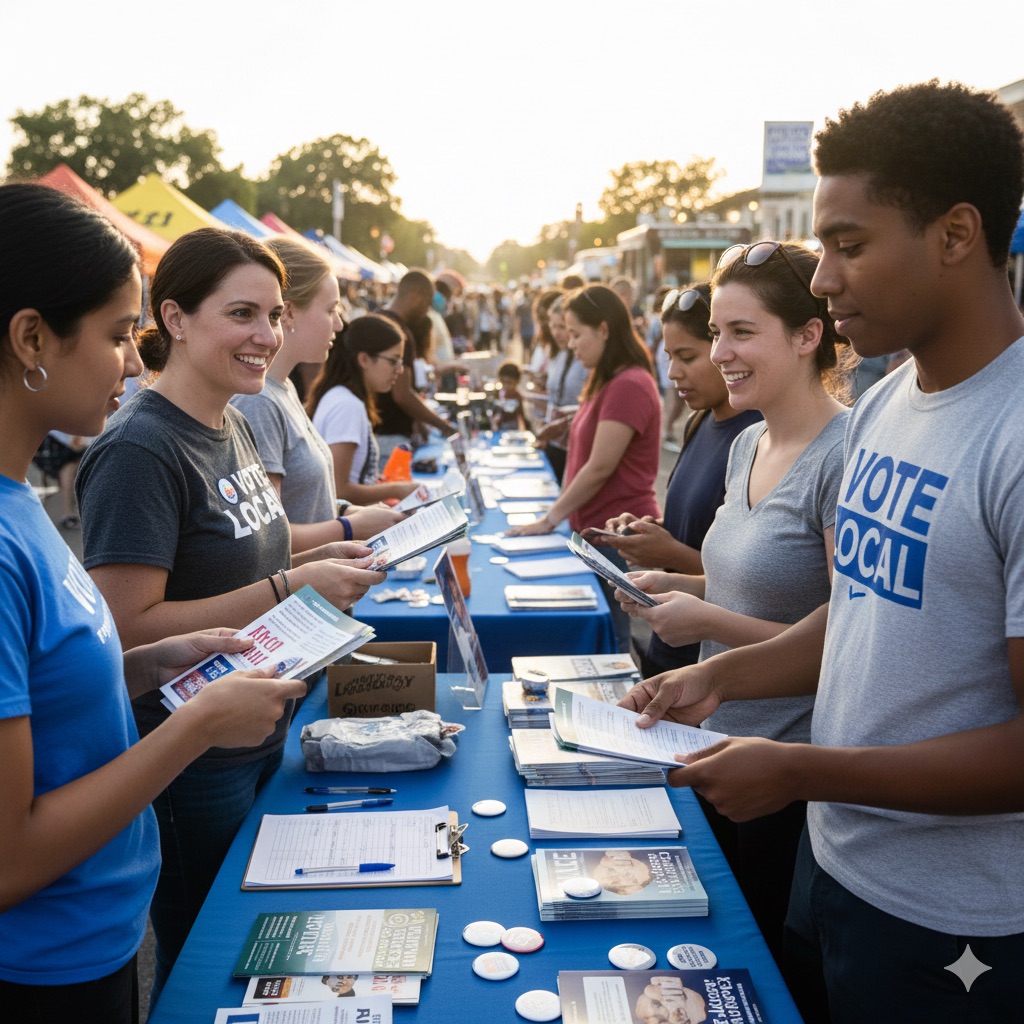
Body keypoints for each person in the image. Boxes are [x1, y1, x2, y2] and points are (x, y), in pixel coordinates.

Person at [620, 81, 1024, 1023]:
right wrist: (726, 676)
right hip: (837, 866)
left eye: (849, 245)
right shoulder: (889, 403)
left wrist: (801, 770)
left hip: (955, 923)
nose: (827, 278)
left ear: (957, 234)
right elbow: (866, 608)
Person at [0, 183, 306, 1022]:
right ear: (32, 337)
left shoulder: (21, 502)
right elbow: (9, 856)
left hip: (92, 935)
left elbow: (43, 686)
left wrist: (140, 665)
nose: (132, 364)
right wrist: (196, 726)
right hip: (44, 966)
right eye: (112, 336)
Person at [75, 227, 386, 1000]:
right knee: (211, 966)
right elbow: (128, 627)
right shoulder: (141, 449)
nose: (266, 335)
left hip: (256, 729)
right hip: (190, 758)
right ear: (174, 318)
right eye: (243, 313)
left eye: (276, 314)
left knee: (267, 949)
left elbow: (257, 561)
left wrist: (314, 571)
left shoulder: (235, 418)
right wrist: (290, 590)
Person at [616, 243, 850, 962]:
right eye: (717, 332)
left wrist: (707, 619)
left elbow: (850, 632)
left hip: (784, 774)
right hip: (712, 746)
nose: (720, 352)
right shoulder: (747, 443)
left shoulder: (847, 454)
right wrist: (679, 585)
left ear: (810, 336)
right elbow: (752, 579)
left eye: (741, 332)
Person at [595, 283, 762, 678]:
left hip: (708, 666)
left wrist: (668, 554)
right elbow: (695, 530)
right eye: (669, 357)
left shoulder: (756, 437)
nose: (673, 373)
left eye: (687, 357)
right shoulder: (700, 420)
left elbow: (752, 583)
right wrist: (648, 534)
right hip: (666, 646)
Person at [508, 284, 662, 653]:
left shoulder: (628, 383)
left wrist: (550, 519)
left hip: (612, 532)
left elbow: (600, 467)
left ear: (604, 329)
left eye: (577, 333)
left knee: (612, 637)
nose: (571, 343)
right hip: (597, 530)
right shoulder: (612, 379)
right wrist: (576, 417)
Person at [230, 237, 405, 544]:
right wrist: (349, 528)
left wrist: (348, 512)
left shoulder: (283, 389)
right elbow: (268, 536)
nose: (339, 325)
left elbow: (305, 504)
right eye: (331, 310)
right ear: (290, 313)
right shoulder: (259, 400)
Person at [307, 314, 422, 506]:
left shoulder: (343, 398)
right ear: (364, 359)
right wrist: (398, 489)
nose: (400, 370)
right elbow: (338, 489)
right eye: (394, 361)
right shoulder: (347, 406)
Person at [373, 270, 452, 458]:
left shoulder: (375, 319)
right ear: (415, 296)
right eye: (427, 303)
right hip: (390, 436)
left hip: (378, 432)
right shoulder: (399, 332)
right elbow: (402, 393)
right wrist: (444, 426)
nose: (427, 310)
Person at [534, 293, 588, 482]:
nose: (556, 332)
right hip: (555, 445)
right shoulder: (558, 354)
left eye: (562, 327)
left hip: (578, 448)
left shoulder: (587, 360)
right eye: (553, 326)